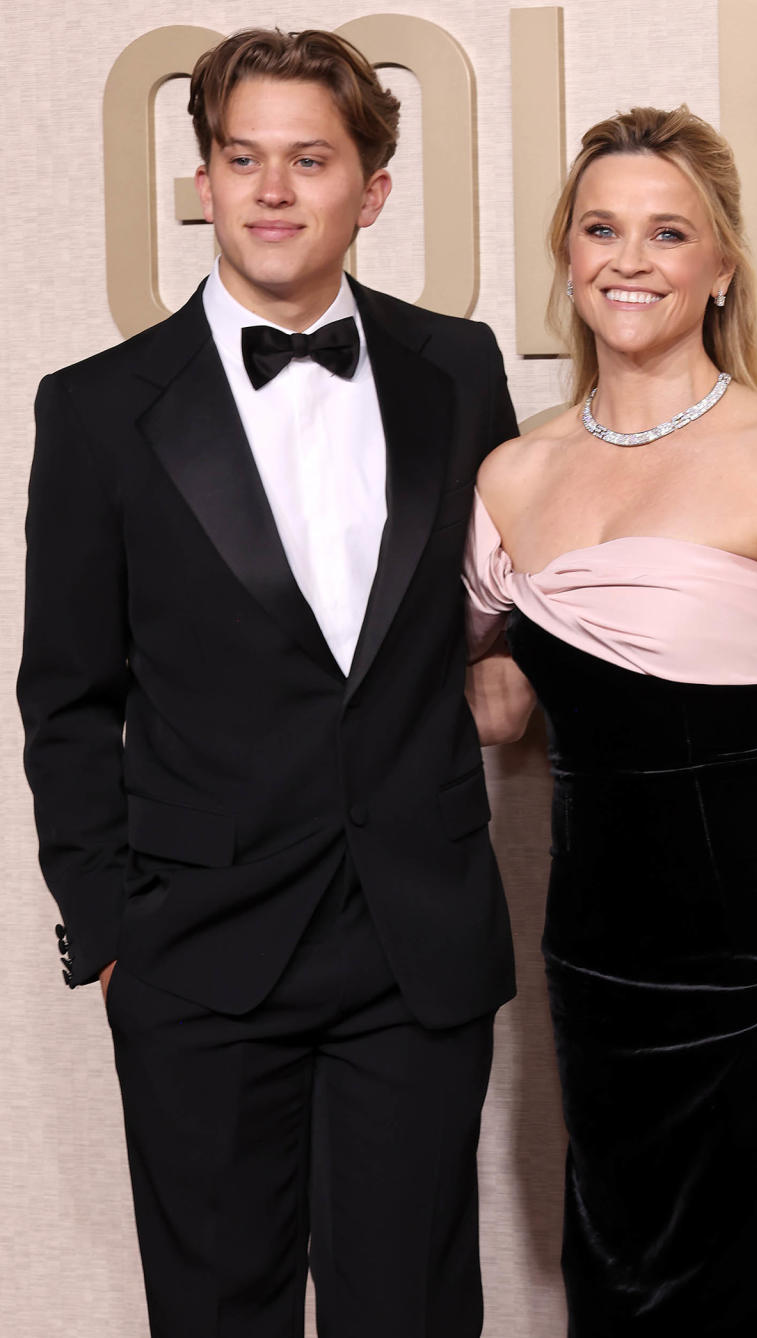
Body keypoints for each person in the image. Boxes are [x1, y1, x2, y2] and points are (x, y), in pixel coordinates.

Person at [17, 28, 518, 1338]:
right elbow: (63, 696)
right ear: (206, 178)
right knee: (217, 1315)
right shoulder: (96, 407)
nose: (273, 189)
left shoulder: (460, 372)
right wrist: (110, 931)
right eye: (243, 158)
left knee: (410, 1314)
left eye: (309, 158)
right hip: (195, 952)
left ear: (374, 188)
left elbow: (527, 605)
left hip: (415, 945)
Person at [464, 105, 757, 1336]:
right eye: (602, 228)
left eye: (669, 233)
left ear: (719, 269)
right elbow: (500, 702)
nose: (631, 259)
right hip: (601, 961)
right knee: (622, 1293)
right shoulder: (513, 475)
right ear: (567, 253)